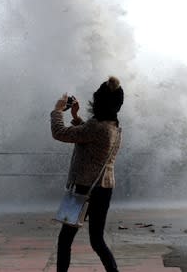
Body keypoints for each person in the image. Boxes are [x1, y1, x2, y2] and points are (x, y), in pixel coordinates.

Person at [50, 76, 124, 272]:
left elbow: (60, 133)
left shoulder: (96, 127)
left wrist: (57, 111)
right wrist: (75, 117)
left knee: (65, 239)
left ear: (97, 101)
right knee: (97, 241)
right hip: (104, 188)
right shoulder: (114, 127)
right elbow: (88, 136)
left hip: (84, 188)